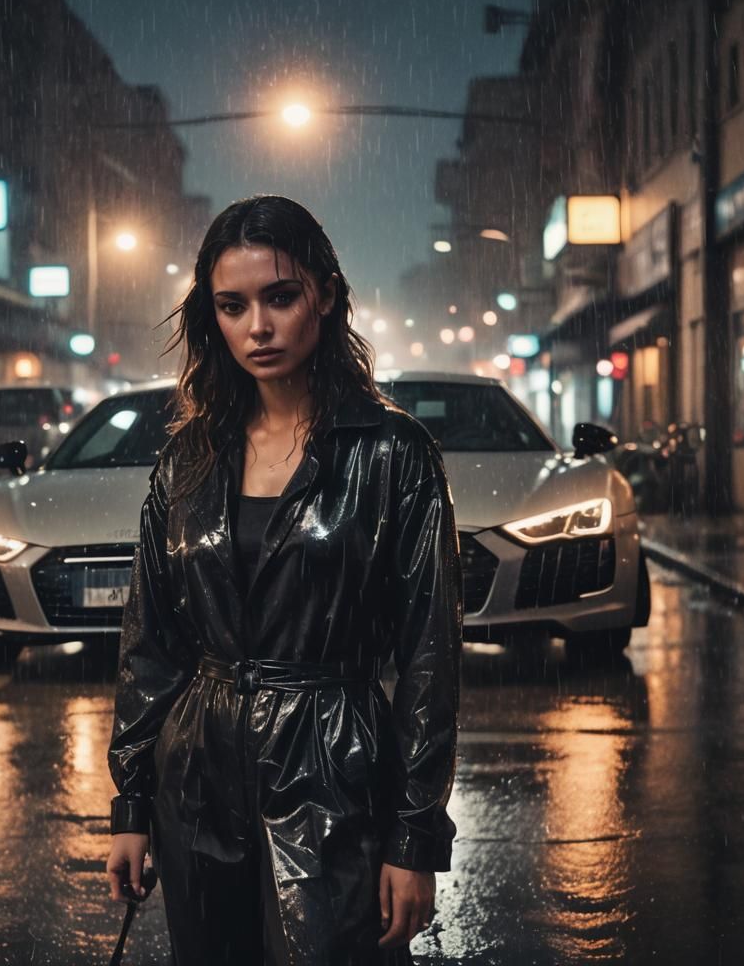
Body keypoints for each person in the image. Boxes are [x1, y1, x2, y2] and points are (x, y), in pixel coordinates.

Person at [105, 195, 462, 965]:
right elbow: (151, 644)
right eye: (232, 307)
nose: (257, 328)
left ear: (326, 297)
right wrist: (132, 801)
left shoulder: (391, 453)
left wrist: (414, 834)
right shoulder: (189, 458)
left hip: (333, 766)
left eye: (280, 297)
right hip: (197, 774)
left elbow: (430, 656)